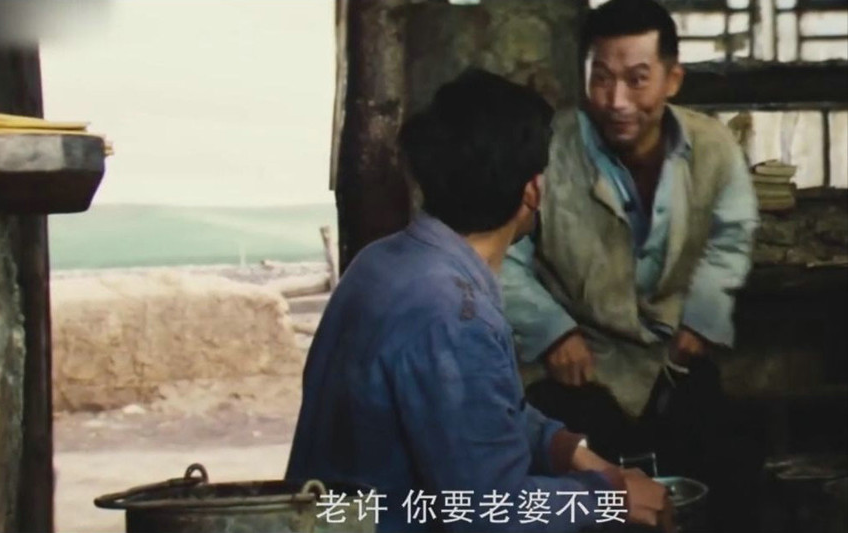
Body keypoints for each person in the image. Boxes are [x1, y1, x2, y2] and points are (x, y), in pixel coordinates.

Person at [286, 69, 672, 533]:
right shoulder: (454, 314)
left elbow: (477, 418)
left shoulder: (383, 262)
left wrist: (568, 451)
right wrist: (608, 500)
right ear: (533, 190)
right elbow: (488, 514)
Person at [500, 0, 761, 530]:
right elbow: (502, 252)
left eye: (637, 80)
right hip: (577, 365)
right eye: (601, 79)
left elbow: (731, 237)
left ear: (672, 79)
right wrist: (550, 330)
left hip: (671, 359)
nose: (617, 101)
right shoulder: (545, 150)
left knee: (727, 476)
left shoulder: (713, 148)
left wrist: (703, 317)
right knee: (584, 496)